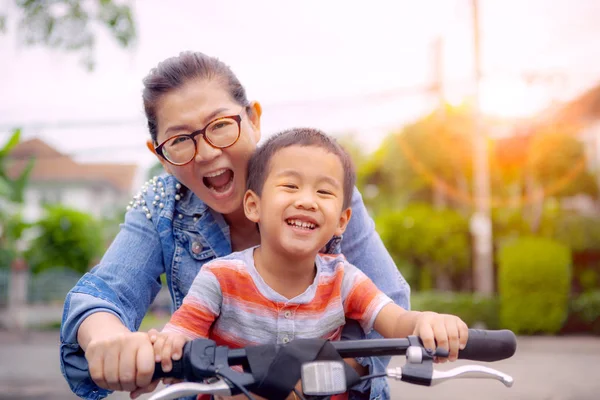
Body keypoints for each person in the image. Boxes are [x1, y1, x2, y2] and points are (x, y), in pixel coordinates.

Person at [59, 51, 411, 400]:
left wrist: (300, 385)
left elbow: (387, 305)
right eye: (180, 140)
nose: (208, 152)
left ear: (253, 120)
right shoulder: (162, 205)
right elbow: (105, 295)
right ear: (161, 156)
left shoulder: (321, 191)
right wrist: (109, 339)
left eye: (221, 125)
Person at [149, 128, 468, 400]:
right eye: (290, 186)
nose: (307, 200)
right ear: (253, 205)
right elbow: (180, 336)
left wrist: (426, 322)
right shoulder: (219, 278)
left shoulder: (345, 280)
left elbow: (396, 322)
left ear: (342, 221)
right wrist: (163, 348)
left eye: (324, 191)